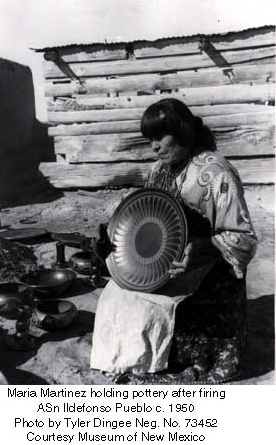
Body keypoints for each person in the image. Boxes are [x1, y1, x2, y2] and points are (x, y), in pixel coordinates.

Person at [90, 98, 257, 384]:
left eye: (159, 137)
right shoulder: (159, 171)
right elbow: (146, 217)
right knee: (116, 293)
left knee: (157, 307)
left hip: (209, 272)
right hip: (168, 265)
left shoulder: (217, 174)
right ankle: (134, 359)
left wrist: (202, 248)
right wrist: (113, 241)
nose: (154, 146)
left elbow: (244, 239)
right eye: (149, 139)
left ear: (182, 132)